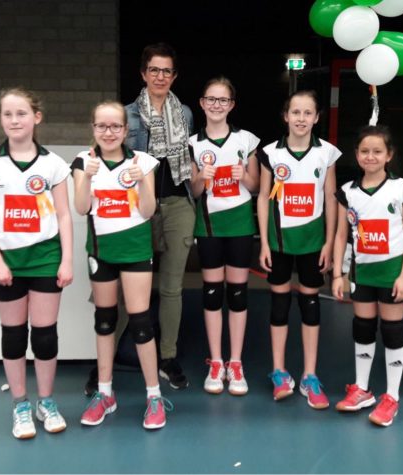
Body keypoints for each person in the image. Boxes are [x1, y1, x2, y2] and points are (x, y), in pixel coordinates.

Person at [0, 87, 72, 439]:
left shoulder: (53, 164)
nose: (15, 120)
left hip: (46, 259)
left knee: (44, 336)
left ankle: (46, 401)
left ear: (36, 117)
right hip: (7, 264)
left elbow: (64, 215)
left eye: (22, 113)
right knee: (14, 336)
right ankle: (20, 404)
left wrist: (67, 260)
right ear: (0, 119)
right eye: (8, 114)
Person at [72, 100, 172, 430]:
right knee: (105, 321)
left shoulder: (143, 161)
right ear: (93, 128)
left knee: (141, 323)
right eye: (102, 126)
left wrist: (142, 181)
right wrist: (86, 178)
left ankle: (154, 396)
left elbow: (148, 211)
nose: (109, 132)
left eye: (115, 126)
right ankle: (105, 394)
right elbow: (81, 207)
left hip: (135, 252)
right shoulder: (83, 161)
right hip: (101, 252)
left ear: (126, 130)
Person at [257, 90, 340, 409]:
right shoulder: (270, 153)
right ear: (285, 116)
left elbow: (330, 198)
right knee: (279, 304)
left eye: (307, 113)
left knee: (310, 304)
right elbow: (262, 197)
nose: (301, 118)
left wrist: (329, 243)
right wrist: (264, 242)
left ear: (317, 117)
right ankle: (279, 372)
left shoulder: (327, 153)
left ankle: (309, 375)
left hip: (312, 243)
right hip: (279, 242)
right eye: (296, 112)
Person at [332, 124, 403, 427]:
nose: (371, 156)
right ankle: (362, 389)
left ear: (389, 155)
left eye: (377, 151)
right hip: (362, 273)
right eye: (365, 151)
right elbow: (341, 235)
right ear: (356, 154)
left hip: (392, 272)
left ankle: (391, 397)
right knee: (363, 328)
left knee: (392, 330)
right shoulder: (348, 192)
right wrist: (338, 274)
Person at [125, 43, 195, 389]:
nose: (160, 76)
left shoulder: (185, 113)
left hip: (178, 203)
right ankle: (112, 357)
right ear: (143, 74)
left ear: (174, 76)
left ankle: (167, 355)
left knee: (171, 288)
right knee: (128, 285)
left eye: (167, 71)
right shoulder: (127, 115)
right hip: (138, 208)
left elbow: (187, 159)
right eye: (154, 69)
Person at [189, 77, 259, 395]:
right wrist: (200, 179)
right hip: (209, 228)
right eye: (211, 99)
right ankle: (216, 361)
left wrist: (244, 176)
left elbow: (256, 186)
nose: (216, 105)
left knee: (238, 294)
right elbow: (193, 191)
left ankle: (236, 362)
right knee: (212, 293)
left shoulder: (247, 140)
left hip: (240, 226)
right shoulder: (193, 144)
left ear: (231, 105)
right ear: (202, 103)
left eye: (223, 100)